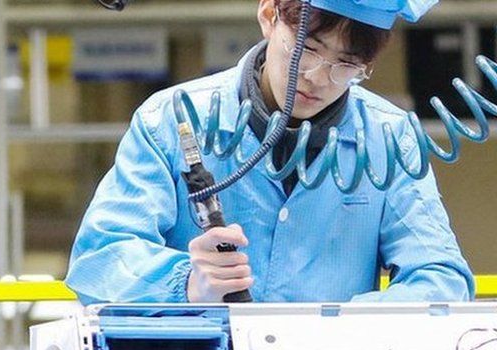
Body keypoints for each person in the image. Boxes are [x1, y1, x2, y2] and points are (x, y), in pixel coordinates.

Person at [66, 0, 474, 304]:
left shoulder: (389, 136)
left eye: (346, 65)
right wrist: (186, 283)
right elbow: (98, 263)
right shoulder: (170, 119)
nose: (316, 78)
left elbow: (442, 279)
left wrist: (342, 329)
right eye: (307, 49)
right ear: (268, 15)